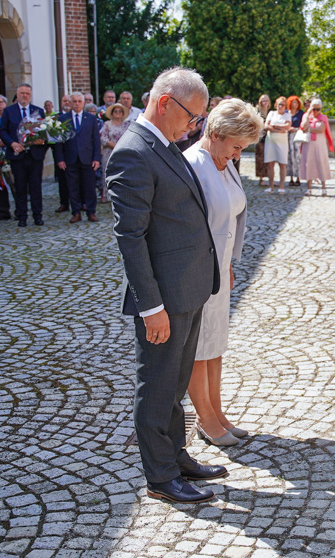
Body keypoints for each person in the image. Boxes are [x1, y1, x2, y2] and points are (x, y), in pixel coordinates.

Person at [107, 66, 226, 505]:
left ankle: (176, 455)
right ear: (164, 103)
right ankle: (160, 476)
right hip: (164, 297)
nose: (194, 126)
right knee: (156, 385)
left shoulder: (165, 143)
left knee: (175, 383)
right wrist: (149, 305)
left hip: (188, 288)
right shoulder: (133, 152)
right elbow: (130, 237)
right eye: (192, 117)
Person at [183, 98, 260, 447]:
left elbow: (231, 215)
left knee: (215, 342)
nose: (237, 154)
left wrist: (228, 262)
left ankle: (217, 411)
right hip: (194, 271)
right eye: (236, 146)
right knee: (197, 346)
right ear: (215, 133)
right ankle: (204, 417)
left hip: (219, 267)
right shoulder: (192, 165)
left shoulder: (224, 162)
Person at [0, 83, 48, 227]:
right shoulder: (9, 111)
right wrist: (12, 143)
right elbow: (2, 131)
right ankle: (22, 216)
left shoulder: (38, 111)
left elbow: (44, 130)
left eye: (27, 93)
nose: (25, 96)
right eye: (22, 93)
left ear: (30, 95)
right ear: (17, 94)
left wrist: (41, 140)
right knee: (19, 187)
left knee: (36, 187)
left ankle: (37, 215)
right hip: (17, 154)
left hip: (34, 155)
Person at [54, 93, 102, 223]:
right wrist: (60, 159)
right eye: (74, 101)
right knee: (72, 187)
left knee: (90, 187)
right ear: (70, 103)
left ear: (83, 103)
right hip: (70, 158)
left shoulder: (91, 118)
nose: (76, 103)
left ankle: (91, 211)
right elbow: (58, 141)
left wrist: (96, 158)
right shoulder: (63, 119)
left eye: (79, 101)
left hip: (87, 157)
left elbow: (96, 140)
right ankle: (76, 212)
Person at [300, 98, 333, 196]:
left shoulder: (323, 117)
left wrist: (309, 129)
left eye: (318, 109)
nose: (316, 111)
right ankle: (309, 188)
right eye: (314, 109)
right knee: (308, 163)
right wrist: (307, 115)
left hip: (320, 144)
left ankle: (323, 187)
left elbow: (321, 129)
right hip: (308, 144)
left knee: (321, 163)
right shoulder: (306, 116)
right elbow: (303, 127)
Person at [99, 103, 129, 204]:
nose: (117, 113)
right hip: (109, 152)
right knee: (107, 173)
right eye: (115, 111)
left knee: (122, 174)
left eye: (119, 111)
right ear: (112, 113)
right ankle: (106, 195)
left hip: (123, 152)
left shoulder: (126, 124)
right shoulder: (107, 124)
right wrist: (114, 145)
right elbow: (103, 138)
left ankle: (121, 195)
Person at [263, 96, 291, 194]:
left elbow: (287, 126)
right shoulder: (271, 113)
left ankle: (282, 186)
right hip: (271, 141)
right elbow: (266, 126)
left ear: (285, 106)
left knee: (282, 164)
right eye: (279, 104)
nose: (280, 106)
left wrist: (274, 125)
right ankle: (271, 186)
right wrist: (278, 129)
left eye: (283, 105)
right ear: (276, 105)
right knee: (270, 164)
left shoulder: (287, 115)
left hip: (282, 142)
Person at [286, 95, 304, 187]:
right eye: (293, 102)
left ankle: (298, 178)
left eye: (296, 102)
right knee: (289, 157)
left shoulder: (301, 113)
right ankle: (291, 178)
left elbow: (303, 125)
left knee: (297, 157)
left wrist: (295, 129)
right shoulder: (286, 113)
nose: (295, 104)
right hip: (287, 137)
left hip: (297, 136)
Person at [254, 94, 270, 186]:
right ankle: (261, 178)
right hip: (260, 138)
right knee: (260, 158)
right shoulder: (258, 112)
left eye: (266, 100)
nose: (265, 102)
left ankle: (270, 177)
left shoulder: (271, 112)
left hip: (271, 138)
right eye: (263, 100)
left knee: (269, 158)